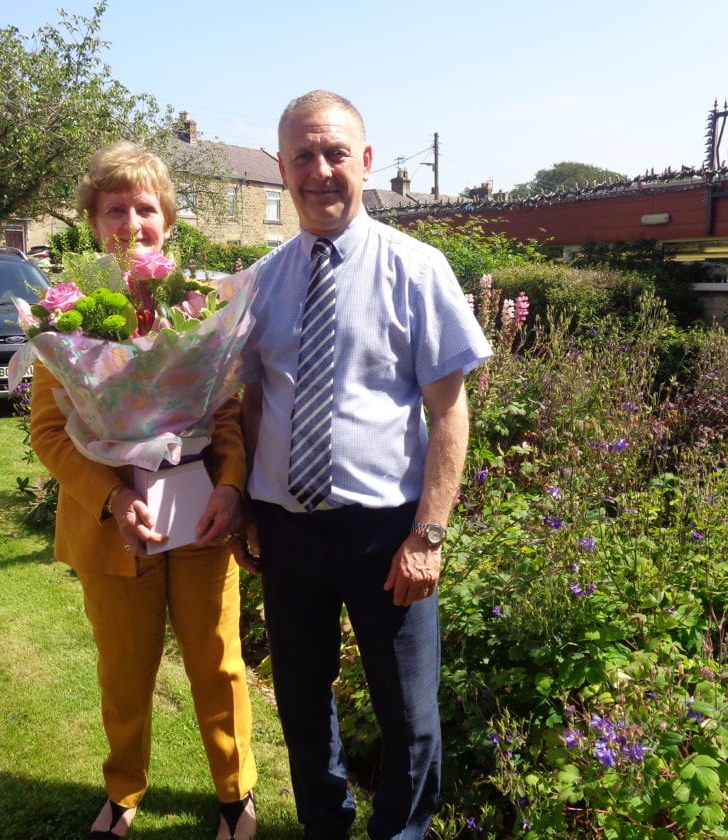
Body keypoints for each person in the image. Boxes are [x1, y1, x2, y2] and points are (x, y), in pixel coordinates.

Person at [240, 91, 491, 838]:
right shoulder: (260, 280)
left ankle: (400, 833)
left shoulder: (417, 269)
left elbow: (450, 413)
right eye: (303, 156)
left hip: (387, 533)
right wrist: (247, 504)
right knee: (301, 699)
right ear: (282, 168)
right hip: (287, 529)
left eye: (336, 153)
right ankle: (324, 826)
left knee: (408, 713)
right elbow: (253, 400)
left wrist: (429, 534)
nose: (320, 170)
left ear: (367, 161)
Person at [30, 140, 257, 840]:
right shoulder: (64, 316)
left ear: (168, 220)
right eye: (115, 209)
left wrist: (231, 486)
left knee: (218, 664)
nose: (132, 224)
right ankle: (123, 791)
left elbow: (225, 415)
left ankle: (237, 795)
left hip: (199, 519)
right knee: (123, 674)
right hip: (111, 530)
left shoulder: (198, 306)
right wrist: (112, 496)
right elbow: (50, 432)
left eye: (146, 209)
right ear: (93, 222)